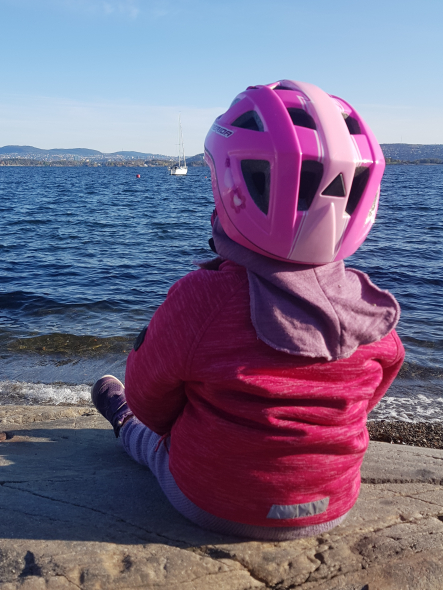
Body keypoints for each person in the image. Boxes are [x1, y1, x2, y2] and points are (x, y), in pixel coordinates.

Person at [91, 80, 405, 540]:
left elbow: (149, 399)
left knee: (150, 439)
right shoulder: (372, 311)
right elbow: (374, 388)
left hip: (212, 503)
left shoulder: (203, 299)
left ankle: (118, 421)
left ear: (230, 189)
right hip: (333, 504)